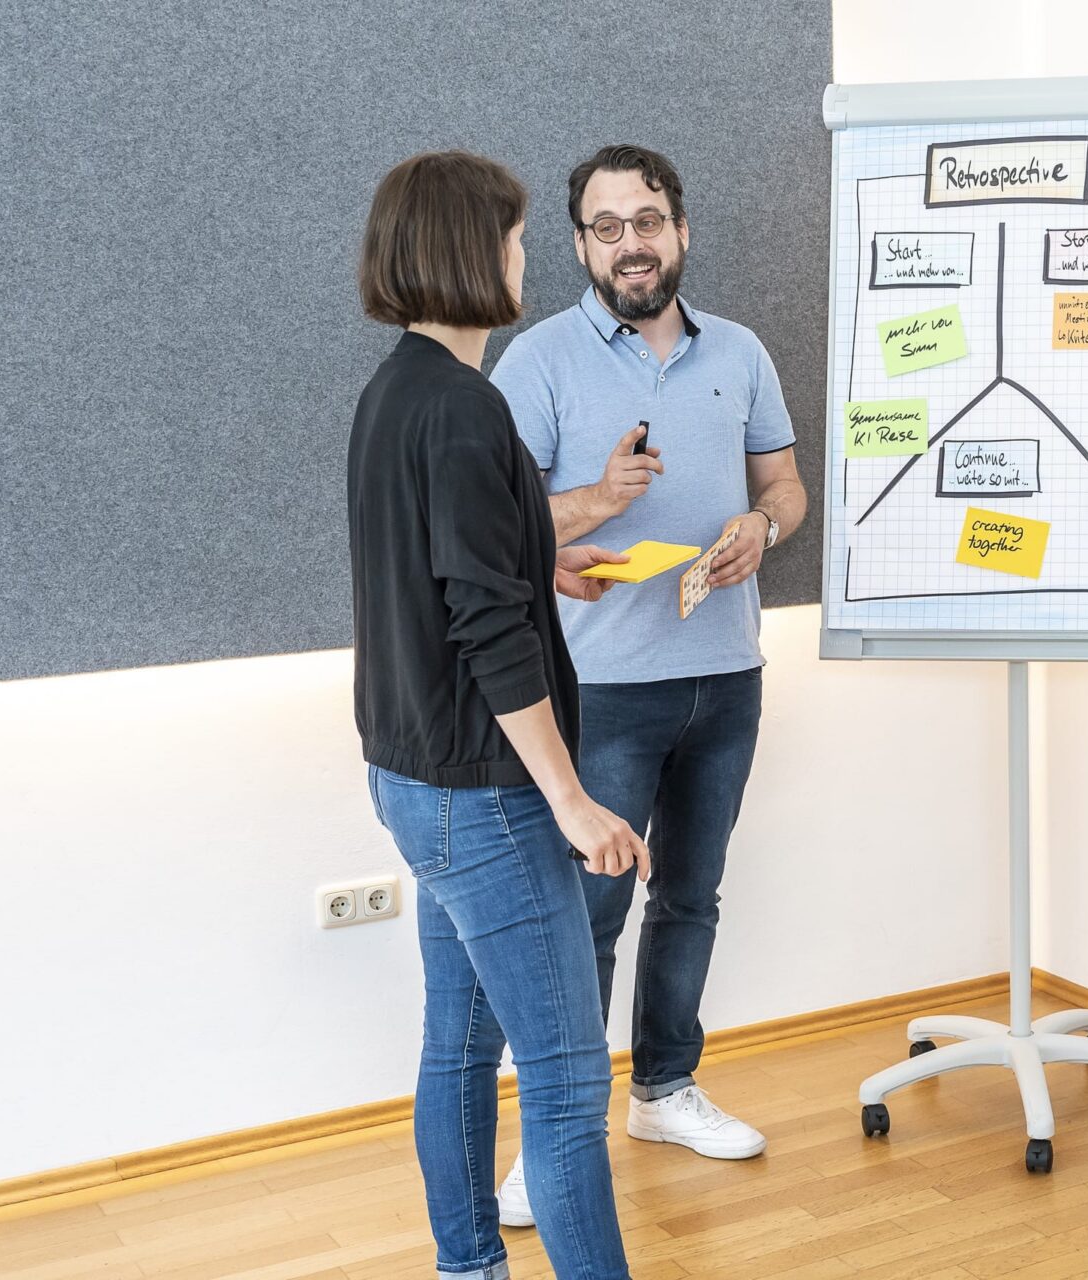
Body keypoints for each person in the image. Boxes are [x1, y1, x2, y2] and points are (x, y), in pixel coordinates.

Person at [489, 143, 805, 1224]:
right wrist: (596, 497)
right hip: (600, 691)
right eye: (608, 226)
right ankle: (554, 1136)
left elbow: (785, 483)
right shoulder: (537, 361)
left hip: (727, 674)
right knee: (585, 914)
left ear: (681, 231)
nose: (632, 242)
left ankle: (665, 1090)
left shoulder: (742, 351)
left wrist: (763, 526)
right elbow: (494, 522)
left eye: (649, 221)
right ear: (582, 245)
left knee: (690, 898)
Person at [348, 149, 648, 1280]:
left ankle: (469, 1266)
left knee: (461, 1046)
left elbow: (445, 569)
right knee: (567, 1084)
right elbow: (486, 629)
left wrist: (538, 560)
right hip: (485, 795)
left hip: (411, 779)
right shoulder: (467, 409)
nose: (527, 259)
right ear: (473, 251)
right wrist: (570, 799)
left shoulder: (397, 392)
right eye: (519, 239)